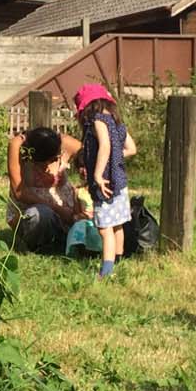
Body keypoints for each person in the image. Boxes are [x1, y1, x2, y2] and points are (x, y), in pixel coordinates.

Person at [77, 83, 137, 279]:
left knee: (104, 228)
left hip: (105, 185)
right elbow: (131, 148)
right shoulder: (116, 121)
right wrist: (113, 162)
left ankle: (106, 271)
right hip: (119, 182)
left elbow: (105, 146)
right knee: (118, 224)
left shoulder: (98, 120)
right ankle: (118, 261)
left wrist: (98, 174)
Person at [5, 125, 85, 252]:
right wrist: (57, 209)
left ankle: (69, 240)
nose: (50, 165)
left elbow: (91, 157)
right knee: (39, 214)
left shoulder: (65, 143)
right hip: (33, 213)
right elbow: (19, 192)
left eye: (55, 159)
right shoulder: (18, 146)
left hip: (69, 213)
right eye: (48, 161)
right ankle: (41, 245)